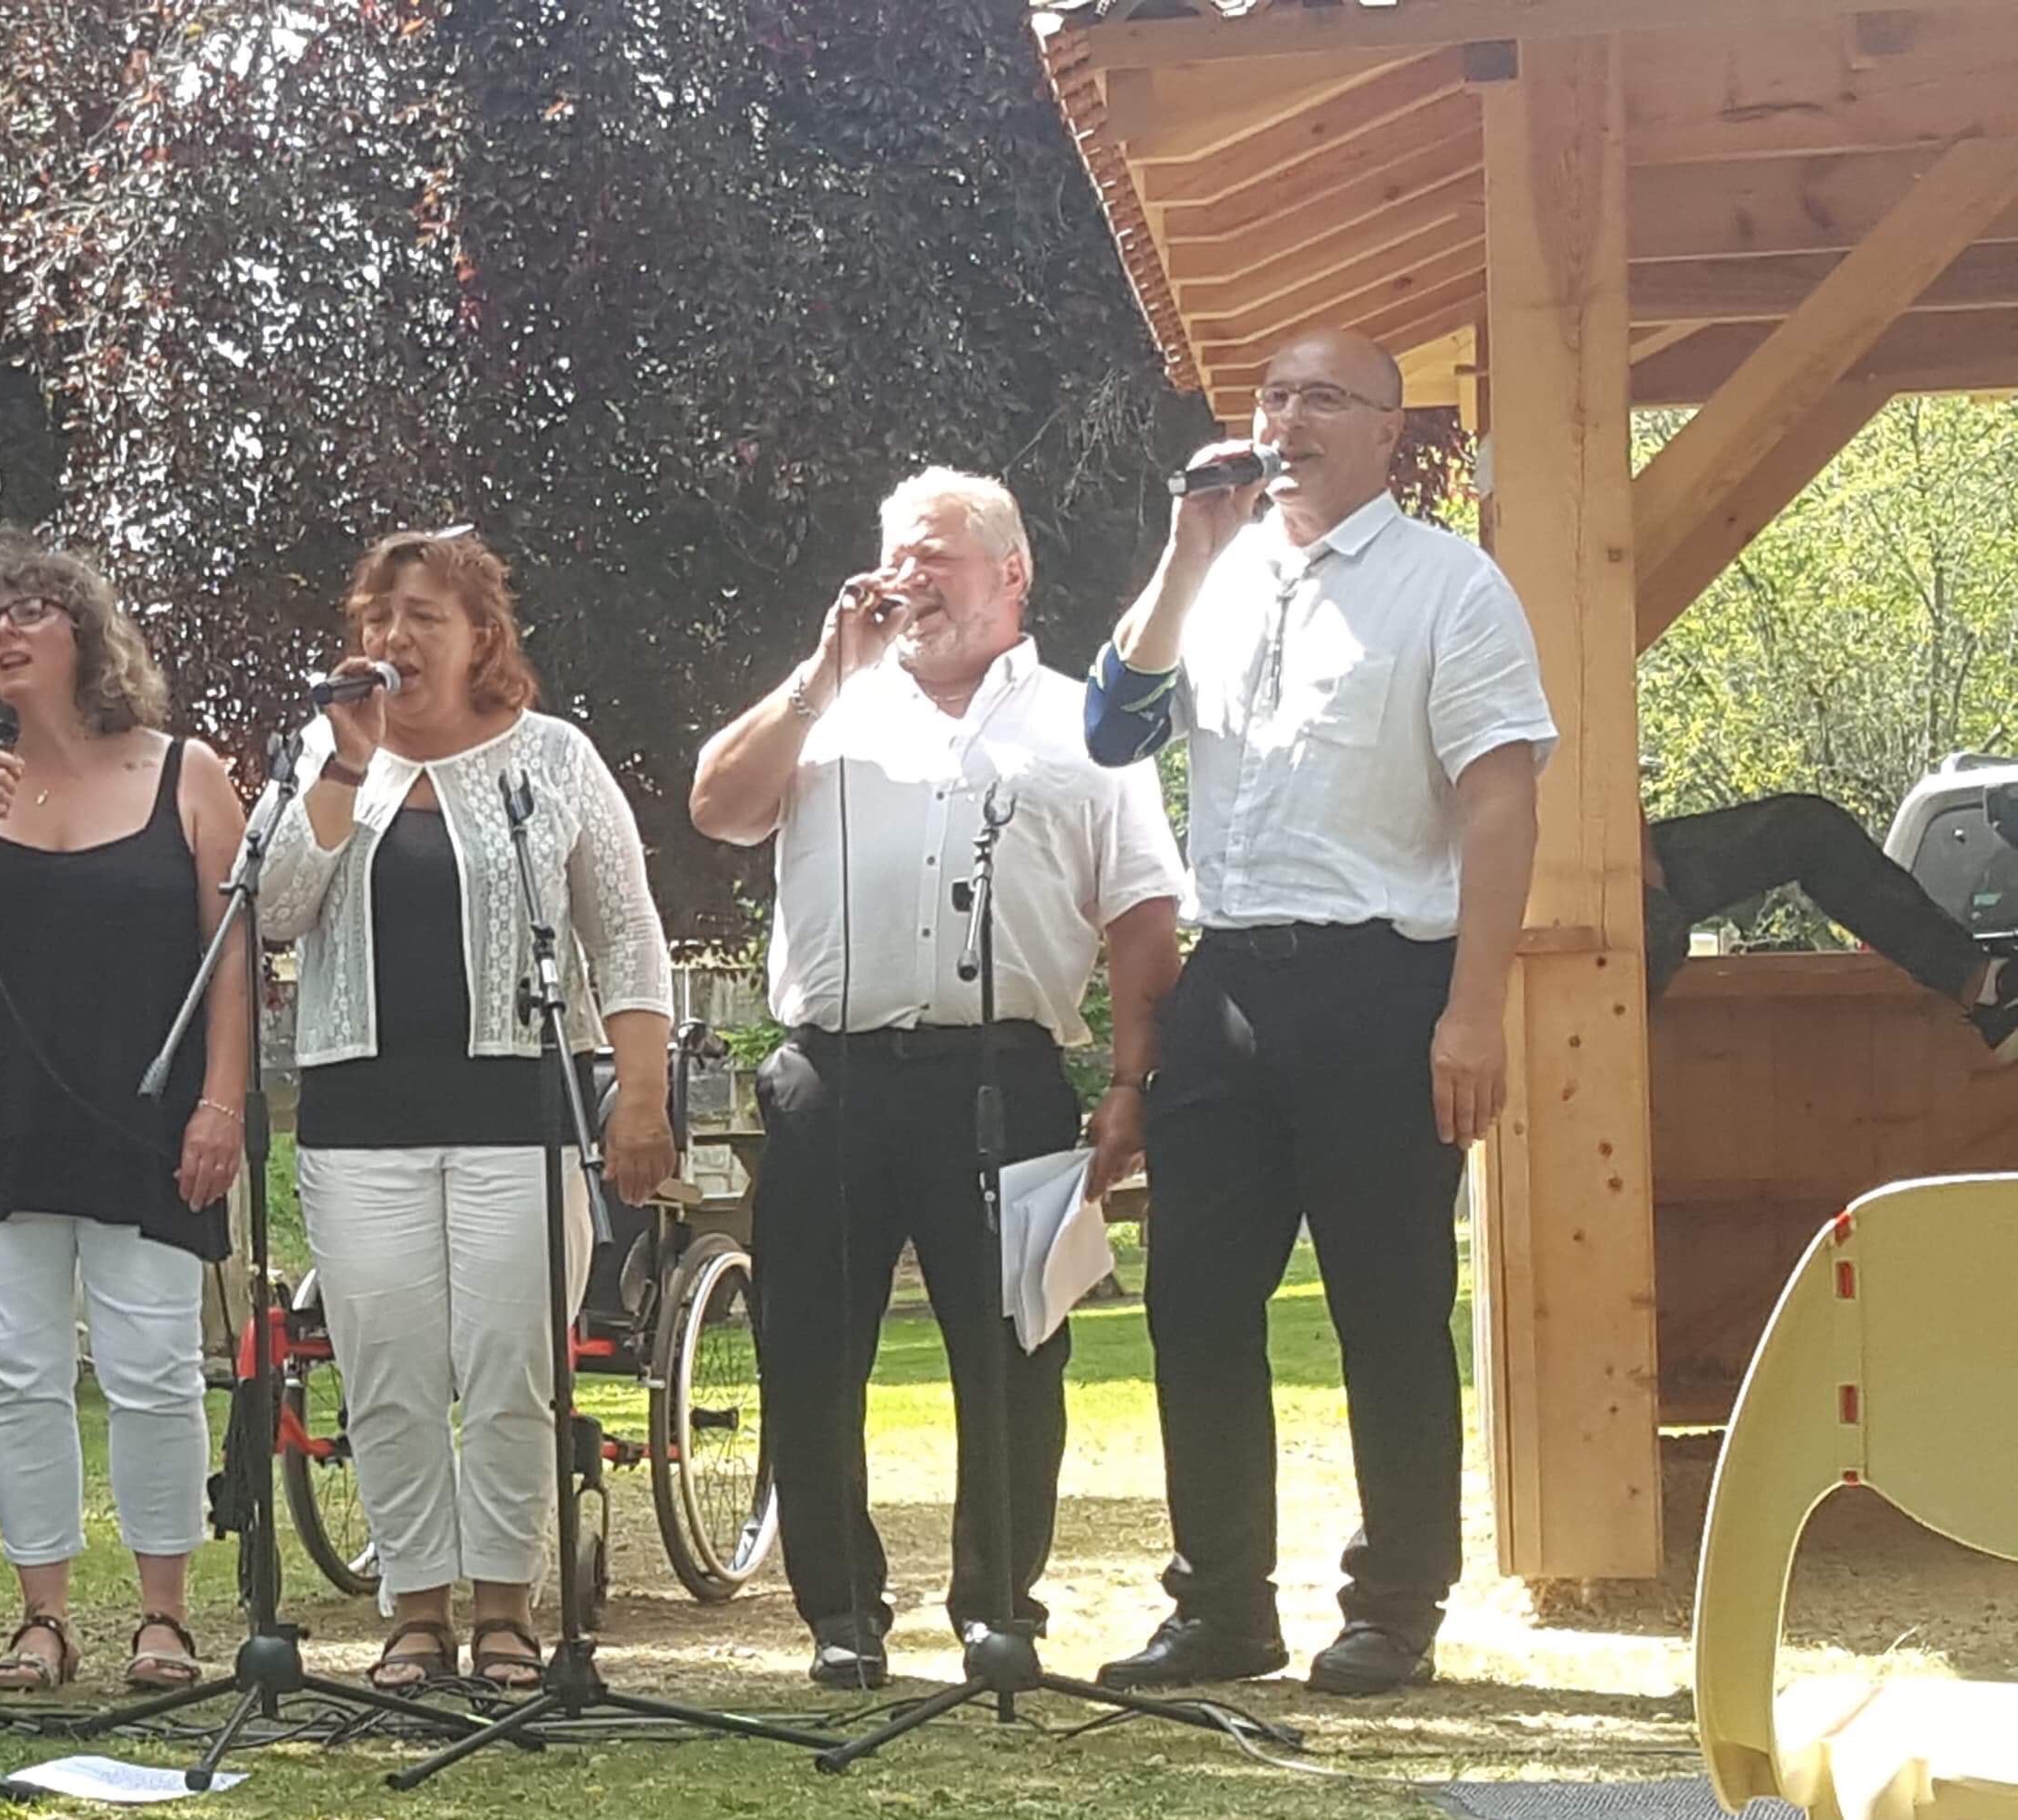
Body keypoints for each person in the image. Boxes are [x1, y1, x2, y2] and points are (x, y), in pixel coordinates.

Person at [1084, 329, 1555, 1697]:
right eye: (1274, 397)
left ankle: (1395, 1607)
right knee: (1193, 1303)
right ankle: (1223, 1609)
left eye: (1323, 399)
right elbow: (1112, 730)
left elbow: (1502, 805)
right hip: (1228, 982)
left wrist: (1474, 1011)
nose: (1287, 420)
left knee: (1388, 1306)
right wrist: (1187, 551)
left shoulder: (1449, 587)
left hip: (1382, 985)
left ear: (1388, 430)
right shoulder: (1216, 578)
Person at [687, 470, 1186, 1690]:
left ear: (1012, 573)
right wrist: (820, 672)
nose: (908, 579)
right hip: (832, 1076)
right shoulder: (828, 709)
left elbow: (1141, 912)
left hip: (1003, 1073)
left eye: (936, 557)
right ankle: (841, 1614)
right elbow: (718, 807)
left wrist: (1132, 1080)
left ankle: (996, 1607)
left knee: (1015, 1356)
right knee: (811, 1355)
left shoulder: (1084, 724)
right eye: (895, 555)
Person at [261, 527, 676, 1694]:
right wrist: (343, 769)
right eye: (377, 616)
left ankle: (505, 1609)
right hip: (360, 1122)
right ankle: (415, 1612)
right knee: (387, 1372)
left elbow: (626, 935)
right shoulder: (325, 753)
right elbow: (275, 910)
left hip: (520, 1114)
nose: (393, 637)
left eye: (423, 617)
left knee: (511, 1368)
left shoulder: (554, 757)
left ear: (481, 636)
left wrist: (640, 1098)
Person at [0, 545, 247, 1693]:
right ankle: (41, 1615)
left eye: (34, 611)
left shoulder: (185, 773)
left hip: (147, 1120)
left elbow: (230, 955)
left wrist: (224, 1100)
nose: (6, 631)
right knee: (16, 1372)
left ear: (88, 635)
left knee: (155, 1370)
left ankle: (164, 1616)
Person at [1643, 796, 2018, 1043]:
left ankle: (1987, 988)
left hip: (1624, 870)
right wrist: (1645, 878)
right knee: (1809, 831)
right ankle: (1984, 987)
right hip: (1616, 884)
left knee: (1810, 832)